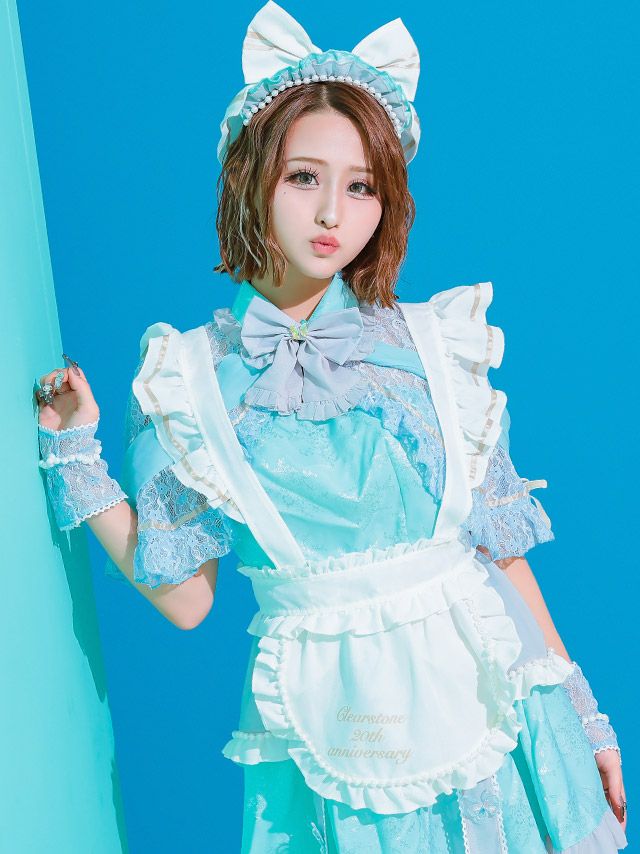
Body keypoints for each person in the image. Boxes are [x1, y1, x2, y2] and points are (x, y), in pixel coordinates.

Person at [35, 2, 628, 851]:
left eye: (360, 187)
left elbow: (501, 555)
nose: (331, 215)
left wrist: (585, 711)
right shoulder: (186, 382)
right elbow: (187, 600)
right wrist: (74, 455)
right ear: (251, 178)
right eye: (304, 177)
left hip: (500, 706)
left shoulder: (436, 347)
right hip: (333, 730)